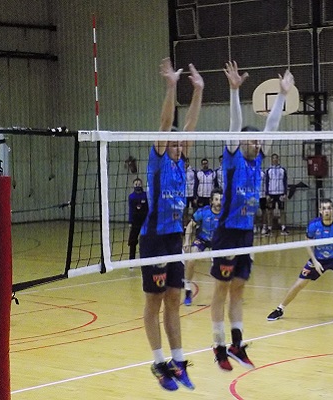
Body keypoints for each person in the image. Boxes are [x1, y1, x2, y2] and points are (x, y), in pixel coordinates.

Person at [210, 60, 294, 371]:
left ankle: (236, 342)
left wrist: (282, 94)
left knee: (239, 288)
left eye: (258, 141)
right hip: (227, 232)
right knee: (221, 288)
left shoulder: (258, 159)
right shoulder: (232, 158)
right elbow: (235, 125)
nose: (257, 143)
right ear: (241, 143)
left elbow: (271, 127)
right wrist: (235, 91)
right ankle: (218, 345)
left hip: (246, 232)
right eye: (252, 140)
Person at [139, 57, 203, 391]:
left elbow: (190, 124)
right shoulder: (160, 160)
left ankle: (178, 362)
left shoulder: (182, 162)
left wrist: (199, 91)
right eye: (175, 143)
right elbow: (167, 124)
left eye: (181, 144)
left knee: (174, 299)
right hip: (154, 238)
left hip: (174, 238)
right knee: (154, 301)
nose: (179, 146)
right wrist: (171, 86)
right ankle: (158, 362)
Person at [266, 198, 333, 321]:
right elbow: (308, 243)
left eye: (329, 208)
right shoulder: (314, 225)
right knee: (299, 284)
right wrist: (314, 261)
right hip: (319, 259)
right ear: (320, 211)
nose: (327, 211)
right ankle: (280, 309)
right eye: (324, 208)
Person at [183, 188, 223, 306]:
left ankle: (221, 293)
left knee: (222, 266)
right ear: (211, 201)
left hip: (218, 242)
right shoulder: (203, 212)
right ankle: (188, 289)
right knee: (191, 259)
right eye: (216, 199)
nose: (219, 202)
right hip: (202, 240)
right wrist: (186, 241)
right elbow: (190, 225)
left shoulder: (226, 214)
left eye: (221, 199)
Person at [265, 153, 289, 235]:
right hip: (271, 193)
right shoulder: (268, 170)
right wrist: (267, 194)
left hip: (280, 193)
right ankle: (269, 228)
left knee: (282, 211)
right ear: (271, 160)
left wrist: (285, 193)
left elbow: (285, 182)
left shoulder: (282, 170)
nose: (275, 160)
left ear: (278, 159)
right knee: (270, 211)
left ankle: (283, 228)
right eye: (273, 158)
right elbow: (266, 182)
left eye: (276, 158)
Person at [128, 177, 148, 260]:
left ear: (142, 185)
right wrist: (130, 221)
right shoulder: (131, 196)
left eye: (139, 184)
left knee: (145, 240)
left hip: (145, 220)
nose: (138, 185)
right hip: (135, 221)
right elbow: (130, 210)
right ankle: (131, 259)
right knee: (132, 241)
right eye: (136, 184)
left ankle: (145, 257)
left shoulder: (146, 195)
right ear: (133, 185)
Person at [184, 157, 196, 226]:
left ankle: (194, 223)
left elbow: (196, 183)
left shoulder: (193, 171)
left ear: (188, 162)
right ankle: (185, 224)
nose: (185, 163)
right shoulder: (180, 171)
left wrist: (195, 195)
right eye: (184, 162)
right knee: (185, 210)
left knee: (194, 210)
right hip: (184, 194)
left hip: (191, 194)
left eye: (186, 162)